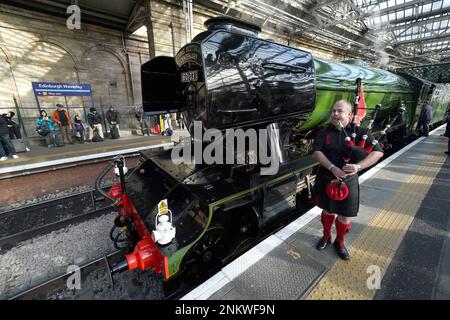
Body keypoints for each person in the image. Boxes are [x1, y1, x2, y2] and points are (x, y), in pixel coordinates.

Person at [312, 100, 383, 260]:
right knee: (327, 210)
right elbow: (317, 152)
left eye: (340, 111)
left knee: (345, 215)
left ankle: (340, 242)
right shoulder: (324, 132)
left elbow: (378, 153)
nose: (335, 114)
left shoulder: (361, 131)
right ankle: (326, 237)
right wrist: (332, 167)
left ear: (350, 115)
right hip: (327, 176)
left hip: (348, 181)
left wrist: (358, 166)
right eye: (333, 111)